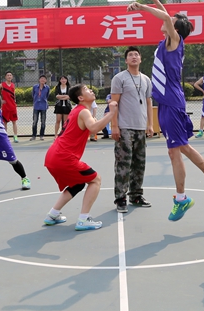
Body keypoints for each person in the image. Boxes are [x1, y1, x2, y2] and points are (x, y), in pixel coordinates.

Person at [127, 0, 204, 221]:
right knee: (181, 147)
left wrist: (142, 6)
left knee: (175, 152)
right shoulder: (168, 41)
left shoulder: (175, 41)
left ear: (175, 28)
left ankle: (182, 198)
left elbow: (166, 18)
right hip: (167, 103)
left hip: (171, 102)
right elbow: (167, 16)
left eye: (171, 20)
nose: (167, 19)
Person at [43, 84, 117, 231]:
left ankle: (52, 214)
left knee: (78, 183)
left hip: (53, 156)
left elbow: (89, 127)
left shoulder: (77, 111)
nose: (91, 90)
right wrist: (111, 113)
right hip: (63, 157)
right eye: (87, 90)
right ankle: (83, 219)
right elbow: (94, 129)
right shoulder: (83, 112)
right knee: (96, 179)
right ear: (81, 98)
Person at [110, 46, 154, 213]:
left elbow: (148, 102)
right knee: (123, 163)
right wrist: (115, 126)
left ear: (140, 59)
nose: (134, 57)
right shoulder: (119, 78)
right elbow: (114, 103)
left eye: (136, 54)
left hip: (140, 127)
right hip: (125, 127)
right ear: (126, 60)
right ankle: (120, 198)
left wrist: (150, 124)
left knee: (139, 163)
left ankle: (136, 195)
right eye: (130, 55)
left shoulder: (146, 79)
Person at [0, 71, 19, 143]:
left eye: (10, 75)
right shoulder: (2, 85)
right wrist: (0, 100)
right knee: (5, 122)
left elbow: (13, 95)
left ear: (12, 77)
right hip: (5, 107)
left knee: (14, 122)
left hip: (13, 107)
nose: (9, 76)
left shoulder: (13, 85)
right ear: (5, 77)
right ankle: (5, 137)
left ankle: (15, 136)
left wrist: (15, 101)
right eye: (8, 75)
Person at [31, 75, 50, 140]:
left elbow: (47, 96)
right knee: (35, 121)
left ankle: (41, 135)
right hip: (36, 106)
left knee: (43, 122)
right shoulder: (35, 87)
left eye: (44, 79)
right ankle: (34, 135)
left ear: (46, 80)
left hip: (43, 106)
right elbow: (33, 95)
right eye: (41, 78)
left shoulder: (47, 88)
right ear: (39, 80)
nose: (42, 80)